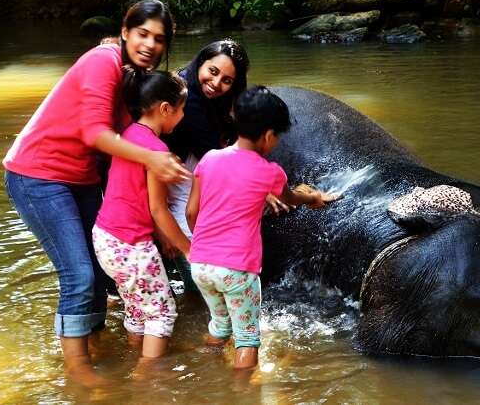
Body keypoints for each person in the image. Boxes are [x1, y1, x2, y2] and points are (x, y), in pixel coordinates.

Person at [2, 0, 188, 387]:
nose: (150, 45)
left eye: (159, 39)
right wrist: (154, 161)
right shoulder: (103, 61)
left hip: (81, 178)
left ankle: (95, 344)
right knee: (80, 274)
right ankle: (78, 370)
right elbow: (96, 134)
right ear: (125, 31)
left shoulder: (133, 77)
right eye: (142, 34)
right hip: (37, 174)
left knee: (101, 274)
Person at [186, 86, 338, 370]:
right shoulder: (270, 172)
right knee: (247, 339)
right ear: (269, 136)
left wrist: (204, 245)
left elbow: (191, 212)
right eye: (277, 137)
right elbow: (289, 197)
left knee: (220, 325)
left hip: (201, 264)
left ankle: (206, 372)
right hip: (237, 269)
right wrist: (314, 198)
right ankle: (242, 394)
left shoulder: (209, 159)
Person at [163, 40, 281, 286]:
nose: (216, 84)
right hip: (172, 168)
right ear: (201, 62)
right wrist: (260, 183)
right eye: (213, 72)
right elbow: (210, 151)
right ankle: (196, 283)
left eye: (227, 80)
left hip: (194, 158)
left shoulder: (217, 98)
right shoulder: (187, 94)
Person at [92, 70, 190, 361]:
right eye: (182, 110)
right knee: (163, 313)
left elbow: (138, 198)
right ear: (165, 109)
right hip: (131, 245)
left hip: (106, 239)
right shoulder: (157, 150)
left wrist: (162, 237)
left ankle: (134, 356)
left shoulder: (128, 134)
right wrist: (190, 249)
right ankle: (147, 382)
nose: (183, 117)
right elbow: (159, 210)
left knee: (138, 309)